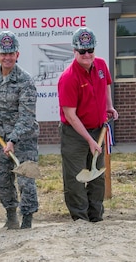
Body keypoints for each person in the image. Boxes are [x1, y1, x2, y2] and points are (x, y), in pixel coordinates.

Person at [0, 31, 39, 229]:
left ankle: (27, 219)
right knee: (2, 179)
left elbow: (27, 115)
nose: (7, 57)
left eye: (11, 53)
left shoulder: (25, 80)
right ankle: (11, 216)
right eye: (3, 53)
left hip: (24, 138)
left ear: (17, 55)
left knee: (25, 179)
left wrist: (13, 140)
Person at [57, 27, 119, 222]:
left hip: (97, 130)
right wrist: (89, 141)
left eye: (90, 50)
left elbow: (106, 84)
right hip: (74, 134)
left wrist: (109, 106)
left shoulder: (100, 65)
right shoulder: (68, 78)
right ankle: (80, 220)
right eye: (82, 51)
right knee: (76, 179)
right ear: (74, 51)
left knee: (97, 177)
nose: (87, 55)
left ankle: (96, 217)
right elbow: (71, 115)